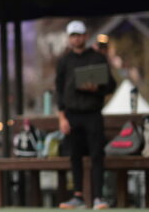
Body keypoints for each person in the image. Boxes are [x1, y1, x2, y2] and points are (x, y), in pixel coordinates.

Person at [56, 20, 116, 210]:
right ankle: (78, 196)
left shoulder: (97, 58)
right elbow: (59, 90)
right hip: (72, 115)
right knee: (74, 155)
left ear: (85, 35)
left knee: (97, 154)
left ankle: (98, 197)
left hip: (92, 113)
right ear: (69, 38)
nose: (76, 39)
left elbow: (111, 86)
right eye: (72, 36)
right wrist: (62, 118)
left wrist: (96, 88)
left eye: (79, 35)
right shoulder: (64, 61)